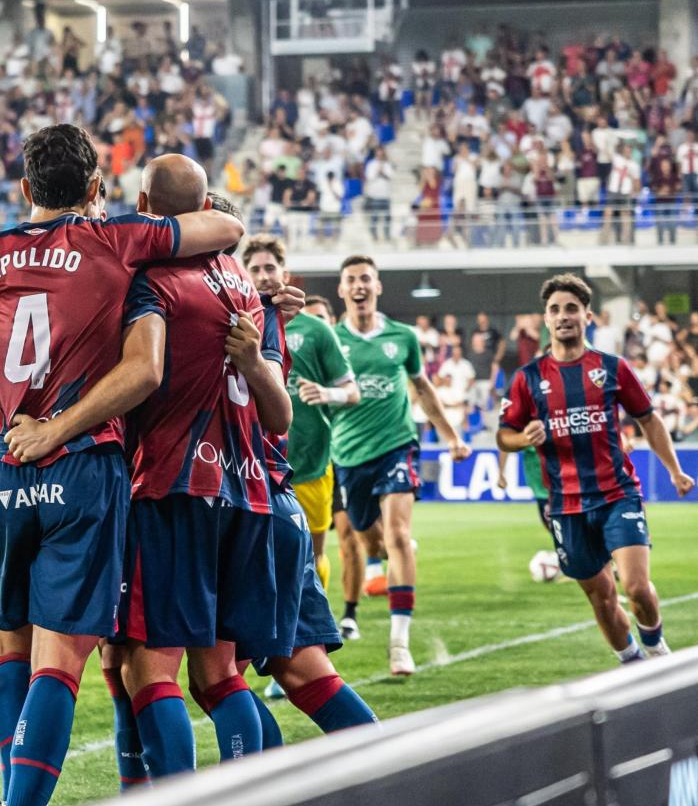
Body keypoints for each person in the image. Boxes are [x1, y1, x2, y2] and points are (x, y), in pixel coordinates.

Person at [0, 136, 246, 806]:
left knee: (8, 649)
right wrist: (61, 427)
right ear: (96, 189)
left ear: (23, 190)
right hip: (80, 463)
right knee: (60, 661)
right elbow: (225, 228)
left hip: (3, 469)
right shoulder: (114, 242)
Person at [498, 274, 695, 663]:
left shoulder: (612, 367)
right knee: (601, 597)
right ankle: (631, 662)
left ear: (588, 316)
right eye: (555, 309)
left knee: (636, 588)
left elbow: (649, 420)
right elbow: (505, 434)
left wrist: (673, 469)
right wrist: (524, 438)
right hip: (566, 506)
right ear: (546, 318)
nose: (563, 316)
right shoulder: (528, 378)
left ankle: (656, 647)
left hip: (617, 494)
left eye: (571, 308)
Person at [330, 255, 472, 675]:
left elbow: (422, 388)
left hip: (397, 445)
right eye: (351, 280)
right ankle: (391, 551)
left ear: (377, 287)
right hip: (349, 456)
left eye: (366, 279)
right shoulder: (330, 340)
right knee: (368, 541)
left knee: (397, 533)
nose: (359, 286)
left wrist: (451, 437)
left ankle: (398, 643)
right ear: (342, 290)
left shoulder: (402, 337)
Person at [242, 239, 358, 596]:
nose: (263, 276)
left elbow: (352, 391)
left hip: (309, 464)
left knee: (312, 552)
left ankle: (308, 623)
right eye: (256, 270)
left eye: (270, 268)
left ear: (285, 273)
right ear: (243, 275)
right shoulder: (241, 326)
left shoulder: (317, 330)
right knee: (258, 558)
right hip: (256, 463)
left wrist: (327, 394)